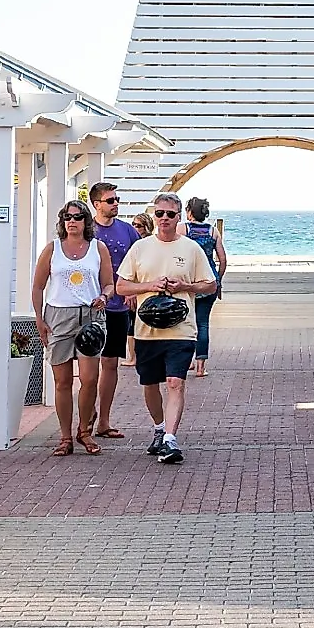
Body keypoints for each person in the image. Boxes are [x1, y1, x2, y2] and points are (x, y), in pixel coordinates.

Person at [114, 192, 216, 464]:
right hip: (147, 329)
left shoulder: (191, 249)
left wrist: (186, 287)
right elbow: (121, 286)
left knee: (175, 382)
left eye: (170, 214)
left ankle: (171, 439)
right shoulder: (140, 248)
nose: (164, 219)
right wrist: (150, 286)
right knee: (149, 384)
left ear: (179, 216)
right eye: (160, 214)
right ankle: (159, 428)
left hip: (181, 329)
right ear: (154, 215)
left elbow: (210, 284)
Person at [33, 198, 115, 456]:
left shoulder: (97, 248)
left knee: (90, 379)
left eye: (77, 217)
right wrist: (39, 318)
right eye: (67, 217)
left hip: (90, 317)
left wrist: (104, 296)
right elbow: (38, 286)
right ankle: (65, 436)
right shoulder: (52, 249)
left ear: (86, 221)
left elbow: (109, 284)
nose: (72, 222)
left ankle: (85, 431)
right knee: (62, 381)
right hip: (58, 315)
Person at [85, 182, 141, 440]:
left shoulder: (128, 231)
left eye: (116, 199)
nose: (115, 203)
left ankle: (104, 421)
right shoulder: (87, 232)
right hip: (90, 308)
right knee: (89, 367)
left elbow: (139, 262)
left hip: (118, 307)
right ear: (96, 204)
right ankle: (86, 417)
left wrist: (134, 291)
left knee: (110, 364)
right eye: (110, 200)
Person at [184, 196, 231, 377]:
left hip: (189, 282)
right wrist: (218, 279)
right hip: (209, 280)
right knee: (202, 323)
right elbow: (223, 259)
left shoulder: (183, 229)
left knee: (186, 323)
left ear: (189, 212)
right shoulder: (213, 232)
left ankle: (187, 361)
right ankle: (201, 367)